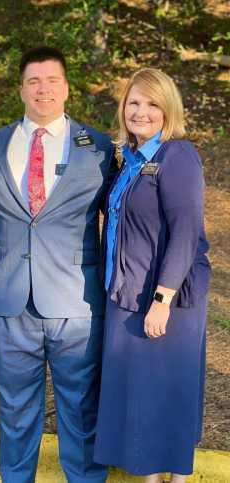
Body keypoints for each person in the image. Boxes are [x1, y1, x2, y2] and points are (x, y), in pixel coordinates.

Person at [0, 46, 117, 483]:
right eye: (34, 81)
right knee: (15, 410)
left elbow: (122, 217)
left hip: (76, 303)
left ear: (67, 89)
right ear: (21, 89)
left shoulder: (97, 146)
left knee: (80, 409)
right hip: (9, 301)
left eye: (52, 80)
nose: (43, 89)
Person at [93, 68, 211, 483]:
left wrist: (162, 299)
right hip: (128, 293)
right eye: (134, 102)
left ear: (168, 110)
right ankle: (148, 475)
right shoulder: (130, 161)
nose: (140, 112)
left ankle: (174, 478)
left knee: (166, 391)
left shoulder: (176, 156)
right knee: (142, 393)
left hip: (167, 299)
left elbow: (185, 232)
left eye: (151, 104)